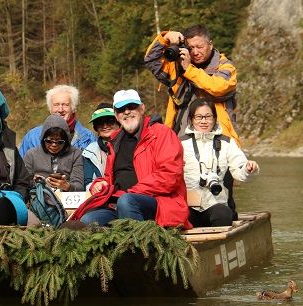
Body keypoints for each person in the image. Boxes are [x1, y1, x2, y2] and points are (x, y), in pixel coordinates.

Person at [70, 89, 191, 229]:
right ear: (116, 115)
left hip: (159, 203)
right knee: (89, 219)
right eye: (121, 109)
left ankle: (138, 249)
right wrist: (101, 183)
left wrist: (133, 191)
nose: (127, 112)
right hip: (119, 203)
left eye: (131, 106)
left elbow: (170, 175)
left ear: (142, 108)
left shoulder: (161, 133)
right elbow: (112, 179)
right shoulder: (115, 142)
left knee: (127, 202)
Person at [144, 24, 240, 147]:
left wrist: (189, 70)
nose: (195, 52)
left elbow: (218, 87)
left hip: (220, 143)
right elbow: (151, 60)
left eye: (200, 47)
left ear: (210, 45)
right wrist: (165, 37)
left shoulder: (225, 67)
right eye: (191, 48)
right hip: (182, 141)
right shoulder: (178, 67)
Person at [181, 98, 259, 227]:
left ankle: (218, 245)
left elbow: (240, 168)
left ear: (215, 118)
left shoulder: (227, 143)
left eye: (208, 117)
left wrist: (249, 169)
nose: (203, 121)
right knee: (173, 214)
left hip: (215, 205)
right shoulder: (179, 143)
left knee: (224, 214)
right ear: (191, 119)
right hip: (188, 206)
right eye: (199, 117)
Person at [18, 85, 96, 157]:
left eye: (65, 105)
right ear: (50, 109)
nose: (60, 110)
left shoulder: (88, 138)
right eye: (56, 105)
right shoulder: (32, 137)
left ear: (73, 108)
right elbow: (21, 168)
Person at [23, 114, 84, 192]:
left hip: (67, 199)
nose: (54, 145)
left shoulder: (76, 153)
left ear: (66, 141)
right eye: (49, 141)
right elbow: (23, 183)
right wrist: (34, 182)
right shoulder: (31, 154)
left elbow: (79, 186)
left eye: (59, 142)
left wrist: (67, 186)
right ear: (43, 139)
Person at [82, 103, 119, 191]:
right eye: (99, 123)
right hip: (103, 196)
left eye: (110, 121)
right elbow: (87, 182)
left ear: (118, 121)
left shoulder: (131, 144)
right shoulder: (89, 152)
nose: (105, 126)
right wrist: (93, 186)